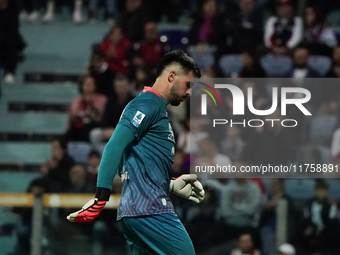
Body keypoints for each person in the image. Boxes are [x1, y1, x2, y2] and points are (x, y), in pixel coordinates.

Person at [67, 50, 205, 254]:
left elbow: (134, 162)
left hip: (137, 212)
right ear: (172, 76)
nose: (189, 92)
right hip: (151, 212)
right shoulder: (146, 104)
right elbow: (114, 145)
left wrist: (171, 184)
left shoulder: (155, 109)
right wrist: (101, 197)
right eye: (188, 84)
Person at [65, 76, 107, 142]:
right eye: (87, 84)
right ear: (82, 86)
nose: (89, 86)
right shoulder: (76, 101)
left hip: (95, 126)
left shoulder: (102, 99)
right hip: (79, 127)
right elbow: (72, 117)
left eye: (91, 84)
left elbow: (103, 118)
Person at [0, 0, 26, 84]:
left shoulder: (13, 8)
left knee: (11, 42)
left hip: (8, 36)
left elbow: (13, 28)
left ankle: (10, 72)